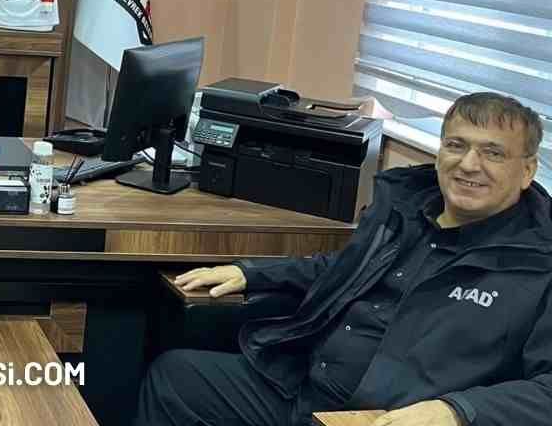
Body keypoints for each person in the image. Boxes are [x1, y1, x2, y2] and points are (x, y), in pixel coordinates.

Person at [137, 92, 551, 426]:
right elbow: (342, 269)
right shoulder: (406, 209)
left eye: (493, 153)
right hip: (303, 388)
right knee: (175, 379)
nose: (469, 164)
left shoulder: (538, 263)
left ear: (527, 170)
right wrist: (252, 273)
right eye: (456, 146)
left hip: (380, 417)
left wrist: (458, 411)